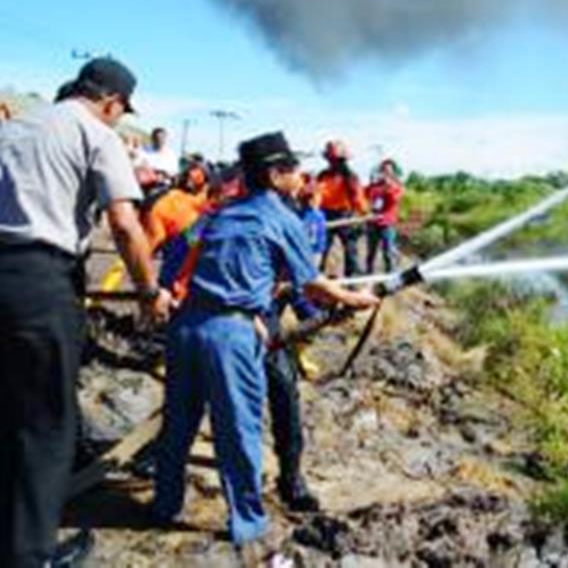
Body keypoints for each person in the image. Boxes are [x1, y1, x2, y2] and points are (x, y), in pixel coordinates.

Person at [154, 132, 379, 555]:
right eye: (294, 169)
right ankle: (247, 525)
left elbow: (177, 248)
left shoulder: (218, 212)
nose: (300, 177)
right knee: (238, 429)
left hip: (185, 327)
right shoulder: (282, 217)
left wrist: (164, 290)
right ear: (276, 176)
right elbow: (310, 283)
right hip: (231, 333)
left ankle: (164, 506)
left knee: (177, 424)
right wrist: (352, 298)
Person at [0, 58, 172, 567]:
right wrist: (148, 292)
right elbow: (123, 223)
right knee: (45, 425)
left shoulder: (14, 127)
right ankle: (28, 556)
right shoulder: (96, 134)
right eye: (120, 111)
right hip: (39, 282)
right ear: (111, 102)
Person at [315, 140, 367, 277]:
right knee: (322, 248)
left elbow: (358, 198)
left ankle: (351, 280)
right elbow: (317, 195)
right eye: (330, 159)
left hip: (345, 216)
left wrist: (364, 213)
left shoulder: (350, 177)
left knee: (350, 250)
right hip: (325, 215)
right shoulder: (323, 176)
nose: (332, 162)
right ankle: (317, 277)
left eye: (335, 160)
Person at [365, 158, 404, 273]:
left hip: (387, 223)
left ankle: (390, 275)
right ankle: (368, 274)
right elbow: (366, 196)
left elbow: (395, 200)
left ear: (393, 172)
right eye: (383, 170)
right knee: (371, 252)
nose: (385, 172)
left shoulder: (397, 186)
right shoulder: (375, 185)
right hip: (372, 222)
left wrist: (389, 187)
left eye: (388, 170)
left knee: (387, 251)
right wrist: (371, 183)